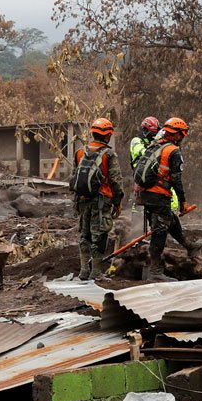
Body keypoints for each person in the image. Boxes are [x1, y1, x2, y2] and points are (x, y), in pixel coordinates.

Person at [137, 117, 198, 282]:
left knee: (170, 219)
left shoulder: (154, 146)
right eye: (182, 135)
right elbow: (176, 180)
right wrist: (183, 201)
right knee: (159, 232)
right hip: (159, 195)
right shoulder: (173, 151)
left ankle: (189, 246)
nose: (183, 138)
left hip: (146, 195)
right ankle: (155, 272)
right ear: (177, 135)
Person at [70, 118, 124, 281]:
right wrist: (117, 202)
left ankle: (84, 270)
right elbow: (115, 181)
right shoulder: (109, 154)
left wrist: (76, 202)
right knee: (99, 235)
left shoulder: (80, 152)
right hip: (101, 201)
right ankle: (96, 273)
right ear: (108, 136)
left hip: (82, 200)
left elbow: (74, 177)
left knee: (84, 235)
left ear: (93, 133)